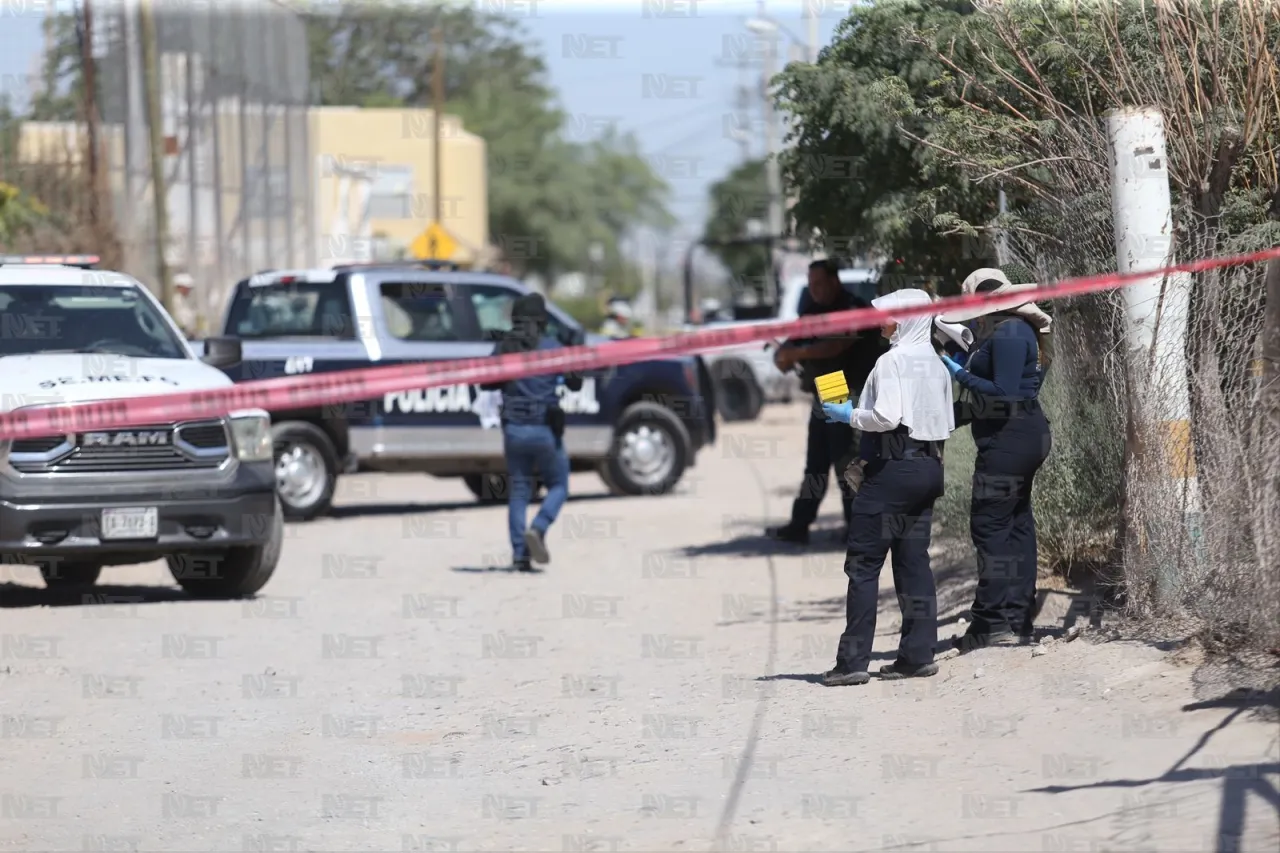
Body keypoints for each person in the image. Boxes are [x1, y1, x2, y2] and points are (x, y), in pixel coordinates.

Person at [819, 289, 955, 685]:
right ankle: (918, 655)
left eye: (888, 316)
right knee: (914, 562)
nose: (881, 322)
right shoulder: (936, 363)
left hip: (893, 472)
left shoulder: (892, 360)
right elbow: (944, 420)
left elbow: (886, 415)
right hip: (928, 467)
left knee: (863, 566)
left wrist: (849, 415)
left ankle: (852, 664)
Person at [938, 265, 1053, 651]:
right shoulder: (1023, 331)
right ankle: (1018, 619)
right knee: (1017, 525)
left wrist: (959, 372)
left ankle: (990, 622)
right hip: (1025, 435)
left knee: (990, 527)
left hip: (1009, 441)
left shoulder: (1006, 333)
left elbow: (1003, 393)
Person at [767, 259, 887, 545]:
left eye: (819, 283)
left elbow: (835, 345)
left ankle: (858, 527)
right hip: (826, 390)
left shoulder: (852, 308)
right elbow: (788, 347)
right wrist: (783, 356)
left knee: (847, 462)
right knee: (816, 464)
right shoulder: (812, 311)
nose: (815, 289)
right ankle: (800, 525)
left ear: (834, 281)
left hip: (848, 389)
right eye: (811, 284)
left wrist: (797, 355)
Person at [481, 293, 581, 572]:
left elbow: (485, 384)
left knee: (520, 492)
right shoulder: (553, 348)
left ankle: (519, 556)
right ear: (542, 320)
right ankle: (538, 528)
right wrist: (575, 350)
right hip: (546, 430)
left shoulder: (505, 348)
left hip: (513, 431)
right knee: (559, 485)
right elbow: (575, 385)